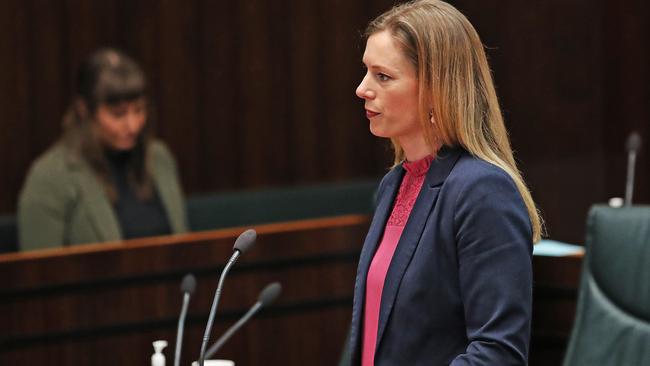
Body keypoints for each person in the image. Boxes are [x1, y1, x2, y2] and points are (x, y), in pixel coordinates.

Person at [347, 1, 543, 365]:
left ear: (436, 88)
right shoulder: (394, 184)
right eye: (365, 72)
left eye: (383, 76)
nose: (362, 89)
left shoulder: (482, 191)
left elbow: (498, 354)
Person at [18, 48, 187, 251]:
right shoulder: (49, 177)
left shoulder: (160, 158)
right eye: (118, 114)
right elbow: (39, 273)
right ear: (84, 110)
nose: (133, 125)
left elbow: (183, 245)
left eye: (139, 110)